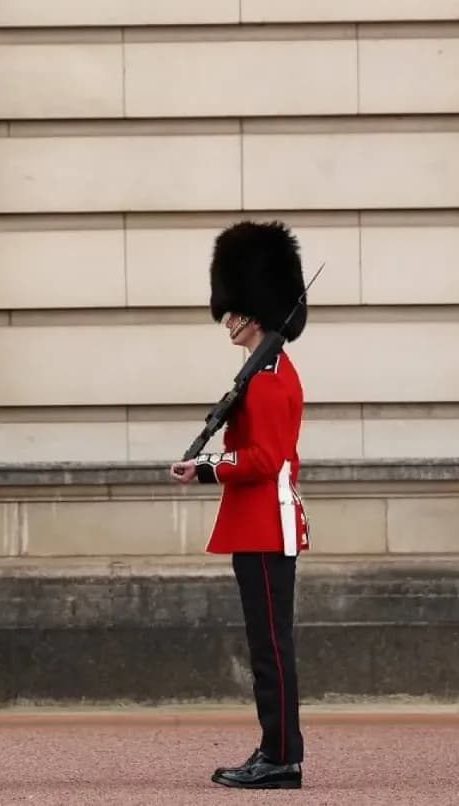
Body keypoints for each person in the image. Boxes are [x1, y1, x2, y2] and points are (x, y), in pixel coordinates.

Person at [168, 220, 310, 789]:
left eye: (233, 310)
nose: (226, 319)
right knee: (264, 646)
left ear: (255, 309)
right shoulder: (258, 373)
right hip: (254, 523)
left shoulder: (272, 379)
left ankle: (281, 756)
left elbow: (264, 459)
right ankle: (274, 748)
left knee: (271, 647)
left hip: (266, 525)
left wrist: (206, 467)